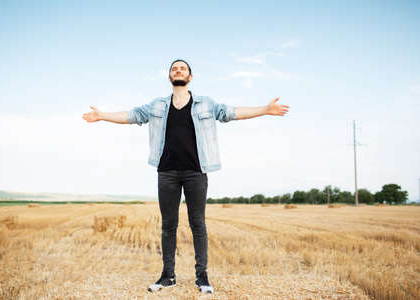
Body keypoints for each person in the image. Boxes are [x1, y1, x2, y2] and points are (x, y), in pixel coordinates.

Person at [82, 59, 289, 294]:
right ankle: (168, 276)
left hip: (196, 172)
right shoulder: (157, 105)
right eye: (174, 68)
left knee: (197, 224)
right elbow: (131, 115)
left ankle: (202, 278)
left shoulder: (206, 104)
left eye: (182, 68)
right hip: (166, 172)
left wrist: (265, 109)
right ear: (169, 77)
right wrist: (102, 116)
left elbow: (233, 113)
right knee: (168, 226)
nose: (178, 70)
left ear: (190, 77)